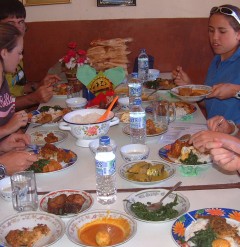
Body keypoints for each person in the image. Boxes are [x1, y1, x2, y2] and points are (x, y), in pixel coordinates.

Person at [172, 4, 240, 124]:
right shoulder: (217, 60)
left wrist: (235, 91)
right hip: (211, 131)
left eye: (222, 31)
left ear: (238, 34)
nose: (214, 37)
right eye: (211, 30)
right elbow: (208, 102)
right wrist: (190, 86)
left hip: (233, 138)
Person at [0, 0, 60, 111]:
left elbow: (15, 87)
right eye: (10, 23)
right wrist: (33, 98)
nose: (18, 28)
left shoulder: (16, 52)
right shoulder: (4, 57)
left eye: (21, 22)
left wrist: (38, 85)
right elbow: (2, 106)